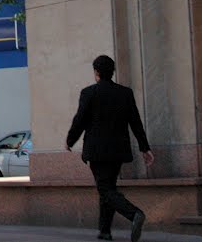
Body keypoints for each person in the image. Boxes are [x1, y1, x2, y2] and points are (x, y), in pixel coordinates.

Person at [66, 55, 155, 242]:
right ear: (112, 72)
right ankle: (105, 231)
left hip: (97, 151)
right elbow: (135, 122)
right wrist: (144, 147)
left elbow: (79, 120)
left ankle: (134, 214)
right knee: (108, 188)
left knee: (105, 189)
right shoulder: (125, 93)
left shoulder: (89, 93)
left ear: (96, 72)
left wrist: (70, 140)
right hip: (117, 151)